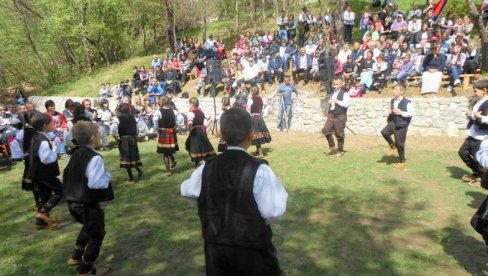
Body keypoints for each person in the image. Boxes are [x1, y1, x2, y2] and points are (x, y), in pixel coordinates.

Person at [180, 107, 288, 276]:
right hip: (252, 252)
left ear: (221, 135)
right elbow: (274, 211)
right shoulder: (260, 170)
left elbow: (187, 191)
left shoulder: (205, 169)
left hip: (218, 250)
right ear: (251, 135)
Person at [64, 121, 114, 275]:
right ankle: (85, 270)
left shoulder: (76, 153)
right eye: (99, 134)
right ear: (93, 137)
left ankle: (76, 256)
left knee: (88, 226)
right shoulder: (95, 157)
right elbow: (95, 183)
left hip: (73, 201)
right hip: (87, 203)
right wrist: (107, 176)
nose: (100, 137)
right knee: (97, 234)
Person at [28, 113, 63, 229]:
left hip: (37, 173)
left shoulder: (36, 136)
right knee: (60, 191)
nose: (53, 124)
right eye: (51, 123)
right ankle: (42, 213)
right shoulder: (43, 140)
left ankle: (40, 222)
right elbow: (46, 159)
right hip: (45, 174)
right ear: (44, 125)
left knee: (45, 195)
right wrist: (53, 148)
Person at [459, 80, 488, 186]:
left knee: (479, 158)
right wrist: (470, 114)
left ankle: (482, 178)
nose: (474, 93)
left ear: (484, 90)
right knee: (463, 152)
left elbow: (484, 118)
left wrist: (480, 116)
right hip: (473, 134)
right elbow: (475, 115)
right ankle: (478, 172)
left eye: (475, 91)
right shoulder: (477, 101)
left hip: (482, 136)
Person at [381, 83, 415, 168]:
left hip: (402, 124)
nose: (394, 91)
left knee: (400, 143)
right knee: (384, 132)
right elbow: (393, 110)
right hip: (394, 122)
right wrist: (390, 111)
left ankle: (402, 161)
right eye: (394, 89)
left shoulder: (406, 102)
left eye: (396, 90)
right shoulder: (392, 100)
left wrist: (402, 113)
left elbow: (413, 113)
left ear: (402, 91)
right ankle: (392, 145)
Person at [322, 79, 351, 157]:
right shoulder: (333, 93)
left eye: (337, 84)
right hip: (332, 115)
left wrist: (338, 101)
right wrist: (330, 102)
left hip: (340, 116)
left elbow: (347, 104)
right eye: (334, 84)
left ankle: (340, 151)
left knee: (339, 134)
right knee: (325, 130)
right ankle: (332, 146)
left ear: (341, 85)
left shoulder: (345, 94)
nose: (335, 86)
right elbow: (332, 102)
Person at [185, 97, 216, 167]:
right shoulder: (202, 111)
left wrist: (190, 129)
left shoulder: (191, 113)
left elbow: (190, 123)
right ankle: (206, 162)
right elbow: (210, 119)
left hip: (195, 131)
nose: (188, 106)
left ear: (192, 104)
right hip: (202, 130)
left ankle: (197, 163)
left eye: (189, 104)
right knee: (204, 145)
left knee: (193, 146)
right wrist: (205, 126)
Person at [117, 103, 143, 184]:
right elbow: (139, 128)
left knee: (127, 159)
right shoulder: (133, 118)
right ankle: (139, 171)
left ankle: (131, 179)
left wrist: (116, 138)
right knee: (133, 157)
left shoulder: (118, 119)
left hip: (124, 140)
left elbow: (113, 131)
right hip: (132, 139)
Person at [157, 96, 179, 176]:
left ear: (161, 102)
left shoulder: (158, 112)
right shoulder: (174, 111)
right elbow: (178, 122)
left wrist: (157, 132)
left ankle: (168, 171)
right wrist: (174, 128)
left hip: (164, 133)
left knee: (165, 152)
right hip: (172, 132)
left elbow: (155, 123)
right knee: (168, 149)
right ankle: (173, 160)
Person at [249, 86, 272, 158]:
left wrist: (250, 115)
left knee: (256, 136)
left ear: (252, 92)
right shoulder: (261, 99)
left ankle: (261, 153)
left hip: (254, 118)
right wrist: (262, 113)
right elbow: (264, 107)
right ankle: (257, 151)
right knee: (258, 134)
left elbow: (248, 109)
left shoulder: (250, 100)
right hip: (260, 118)